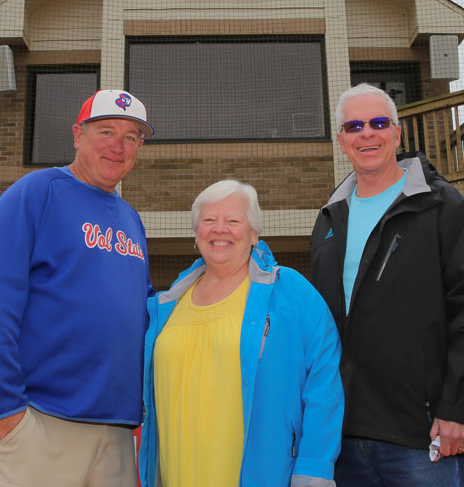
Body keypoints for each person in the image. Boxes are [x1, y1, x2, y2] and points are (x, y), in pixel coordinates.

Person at [310, 83, 464, 486]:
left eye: (379, 123)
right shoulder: (329, 219)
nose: (367, 133)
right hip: (340, 440)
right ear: (341, 140)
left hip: (422, 435)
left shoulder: (442, 205)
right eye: (354, 125)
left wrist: (459, 407)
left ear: (397, 133)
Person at [0, 89, 154, 487]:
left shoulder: (131, 219)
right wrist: (9, 410)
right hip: (44, 419)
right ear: (77, 135)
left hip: (119, 429)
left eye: (132, 137)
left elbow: (141, 312)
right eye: (106, 131)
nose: (118, 146)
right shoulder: (38, 191)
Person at [138, 179, 344, 487]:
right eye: (209, 220)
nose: (220, 229)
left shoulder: (289, 292)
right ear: (196, 233)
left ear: (254, 234)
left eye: (233, 221)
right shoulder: (165, 306)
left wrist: (314, 469)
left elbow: (324, 385)